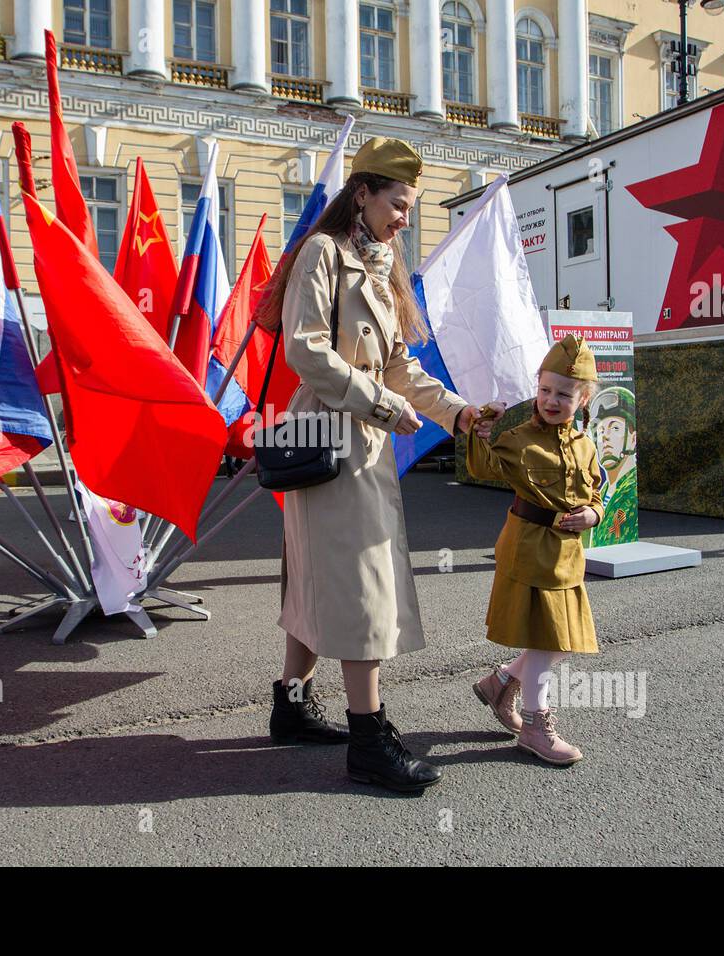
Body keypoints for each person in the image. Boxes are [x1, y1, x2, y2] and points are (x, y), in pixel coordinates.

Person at [254, 136, 487, 792]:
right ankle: (369, 738)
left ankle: (291, 708)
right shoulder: (323, 255)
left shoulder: (379, 268)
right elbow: (306, 353)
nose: (406, 216)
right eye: (399, 202)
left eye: (410, 207)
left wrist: (461, 415)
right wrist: (384, 407)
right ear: (363, 193)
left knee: (312, 583)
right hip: (331, 444)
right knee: (361, 590)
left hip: (356, 447)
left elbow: (400, 368)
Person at [465, 334, 603, 765]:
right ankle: (535, 726)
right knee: (548, 641)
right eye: (545, 389)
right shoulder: (520, 438)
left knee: (562, 641)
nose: (551, 399)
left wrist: (593, 516)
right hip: (528, 552)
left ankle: (502, 681)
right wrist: (481, 429)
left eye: (563, 393)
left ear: (582, 399)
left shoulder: (585, 444)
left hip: (566, 556)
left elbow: (597, 491)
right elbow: (482, 465)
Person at [586, 387, 637, 547]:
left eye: (615, 428)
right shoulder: (600, 492)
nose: (605, 437)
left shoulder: (630, 493)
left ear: (633, 439)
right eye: (600, 431)